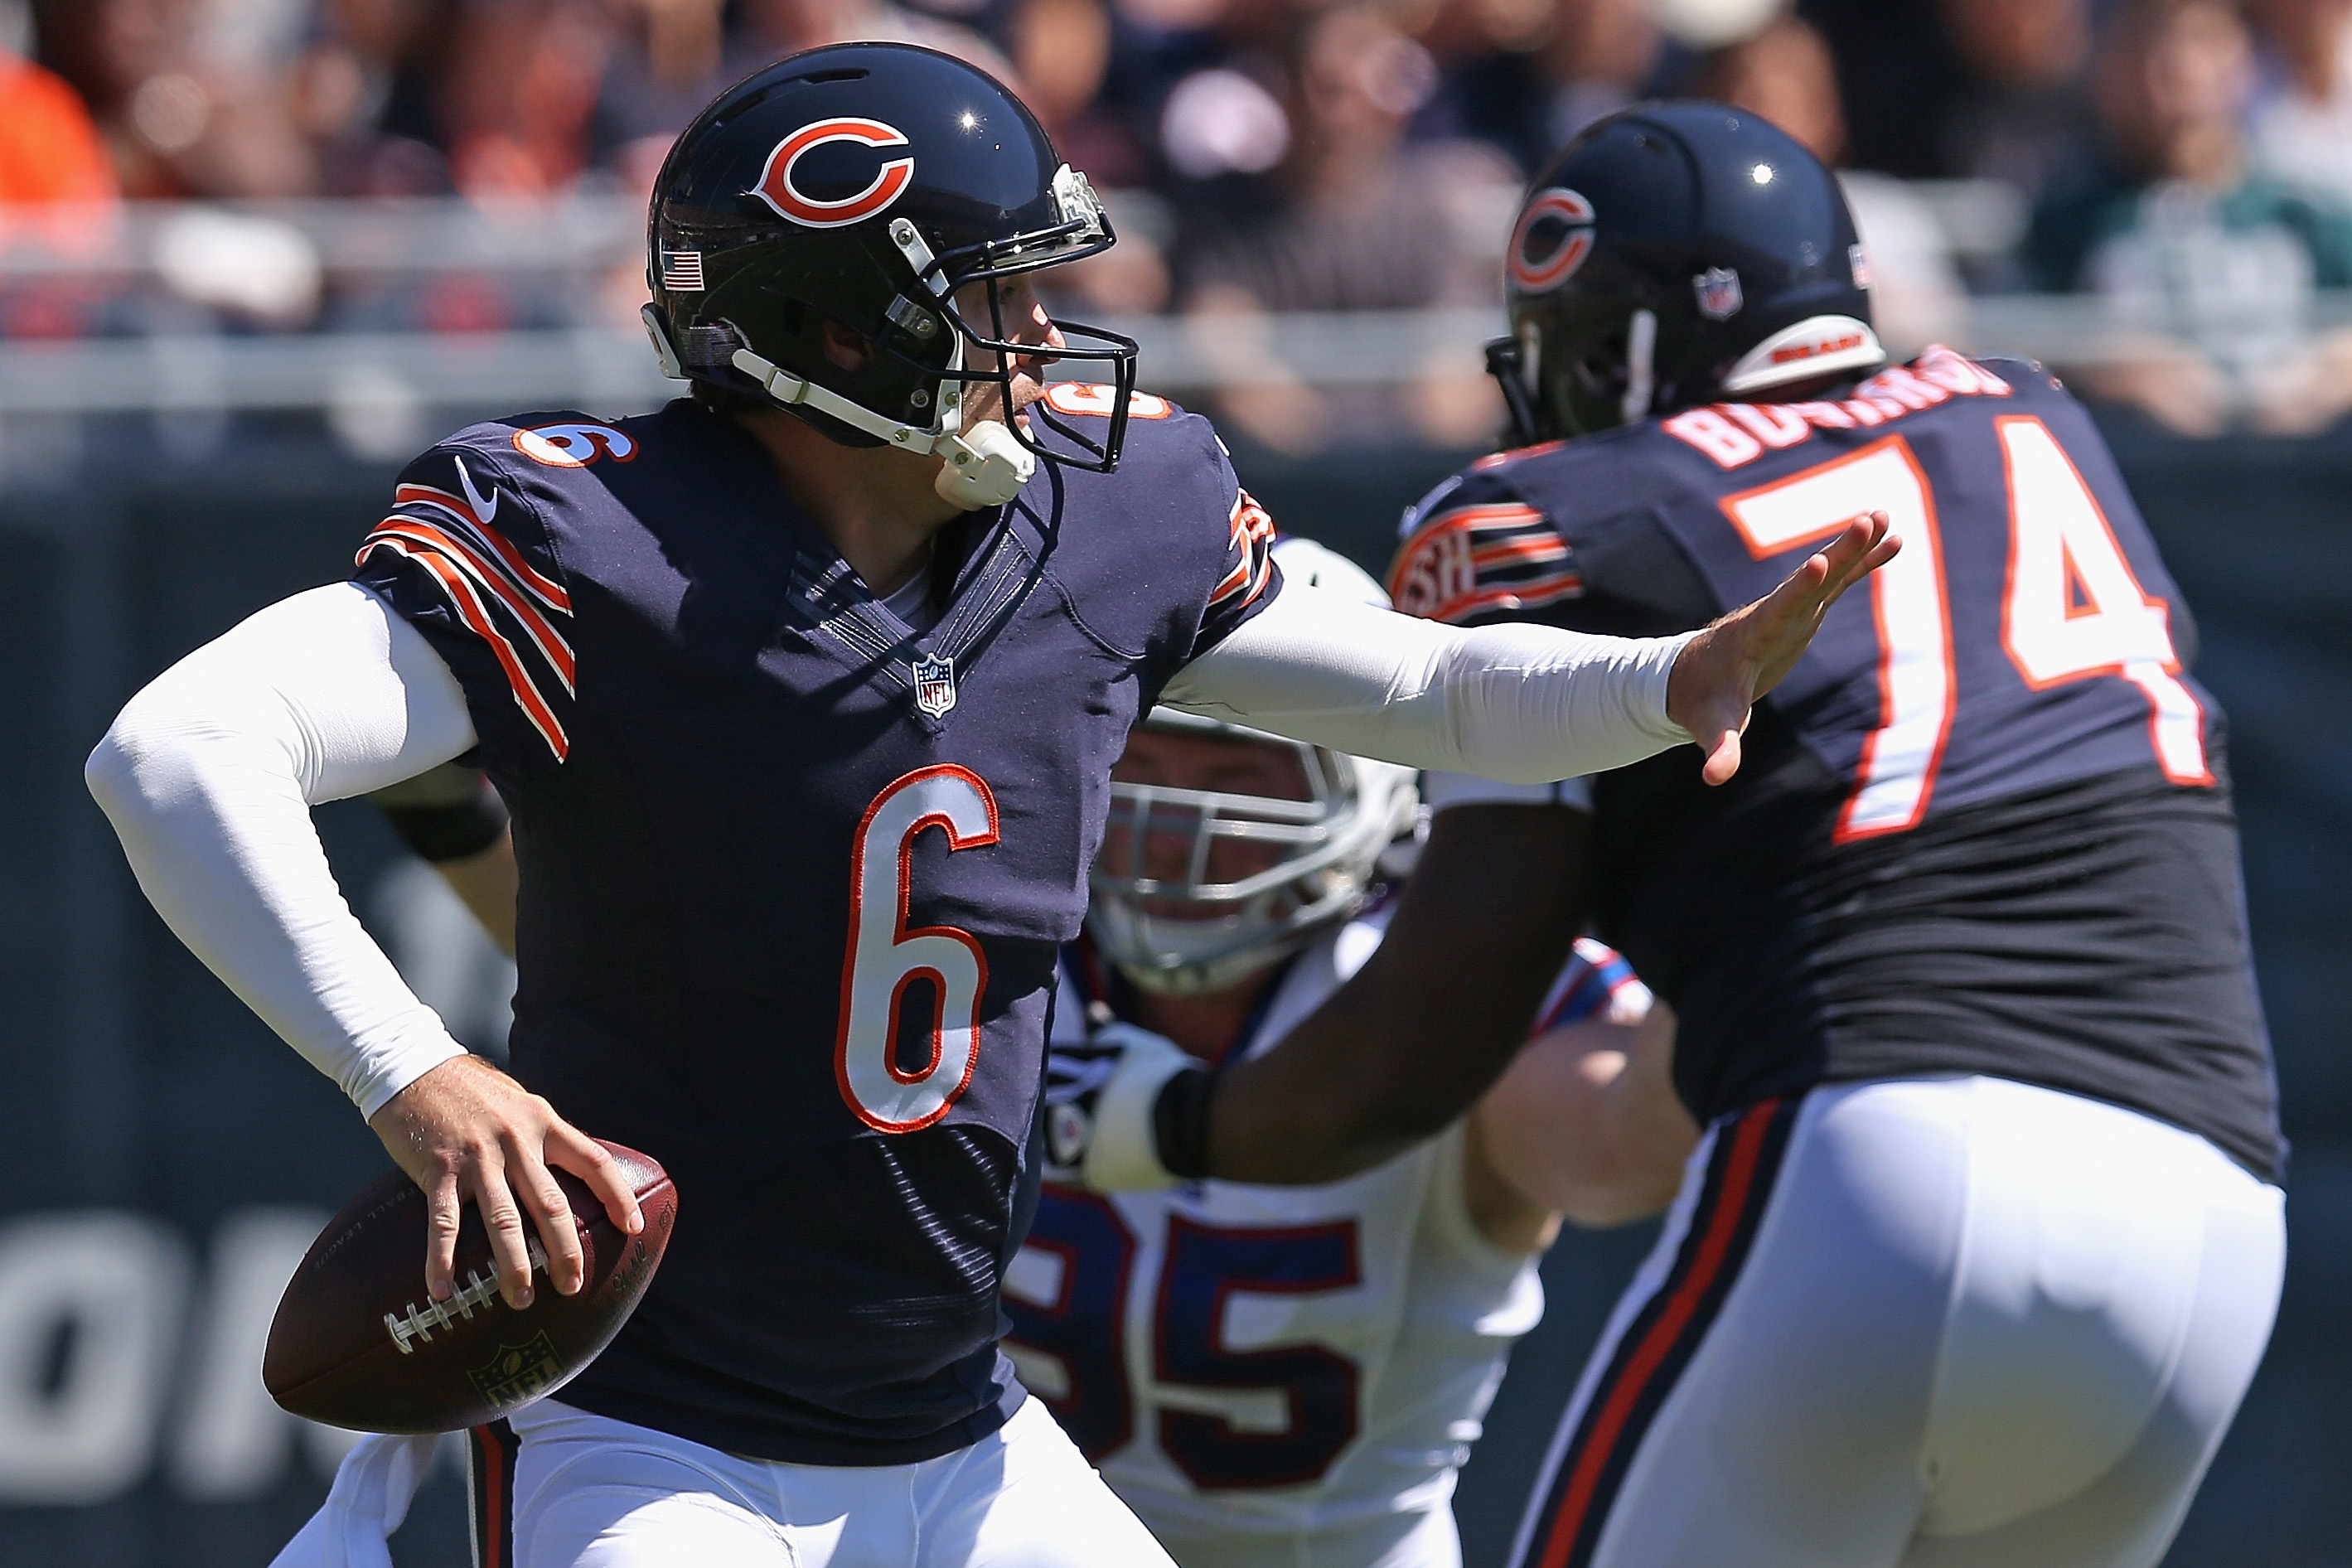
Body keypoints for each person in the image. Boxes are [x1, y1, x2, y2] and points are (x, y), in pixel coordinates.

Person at [84, 47, 1886, 1568]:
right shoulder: (607, 539)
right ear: (838, 324)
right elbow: (177, 753)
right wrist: (416, 1074)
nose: (1048, 335)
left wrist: (1664, 685)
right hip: (633, 1425)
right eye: (997, 295)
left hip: (947, 1429)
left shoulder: (1108, 521)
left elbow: (1418, 688)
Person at [1057, 102, 2287, 1568]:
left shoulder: (1546, 512)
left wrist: (1141, 1122)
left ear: (1609, 341)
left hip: (1887, 1139)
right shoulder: (2032, 416)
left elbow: (1424, 1043)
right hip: (2212, 1209)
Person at [1012, 537, 1692, 1568]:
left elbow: (1619, 1151)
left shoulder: (1443, 993)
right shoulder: (986, 947)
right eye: (1142, 766)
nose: (1174, 830)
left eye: (1242, 777)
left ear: (1374, 789)